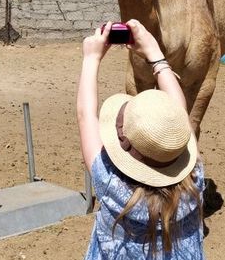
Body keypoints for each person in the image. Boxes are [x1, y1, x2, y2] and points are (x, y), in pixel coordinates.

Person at [77, 19, 205, 259]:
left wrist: (91, 58)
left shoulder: (110, 184)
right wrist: (156, 55)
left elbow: (86, 115)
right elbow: (179, 114)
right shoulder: (195, 182)